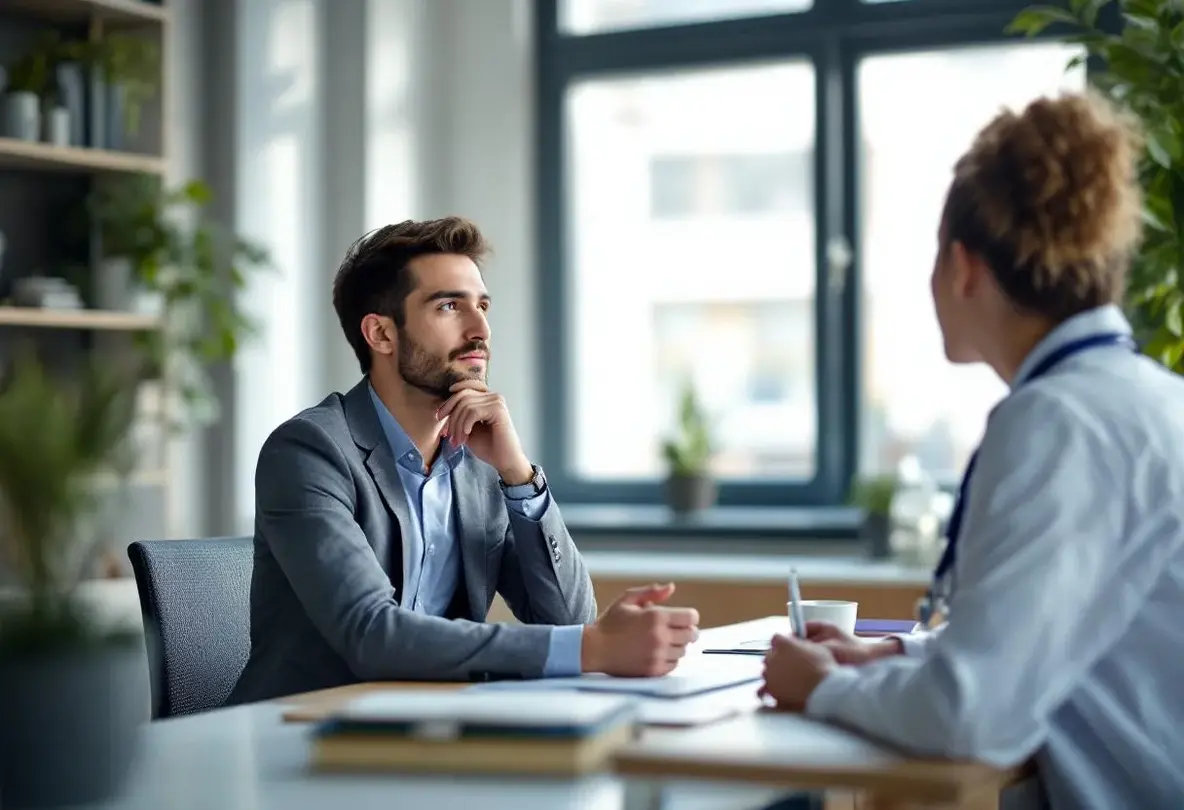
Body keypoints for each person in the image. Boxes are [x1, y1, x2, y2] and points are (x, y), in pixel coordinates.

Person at [759, 91, 1184, 808]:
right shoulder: (1152, 398)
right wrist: (893, 654)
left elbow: (970, 717)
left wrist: (822, 686)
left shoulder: (1057, 421)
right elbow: (1061, 635)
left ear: (962, 268)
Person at [227, 217, 698, 705]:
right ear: (381, 334)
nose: (480, 331)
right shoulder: (309, 451)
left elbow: (568, 618)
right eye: (449, 306)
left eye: (482, 306)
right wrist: (592, 648)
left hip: (430, 724)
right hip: (299, 731)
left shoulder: (480, 460)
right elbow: (371, 635)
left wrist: (518, 475)